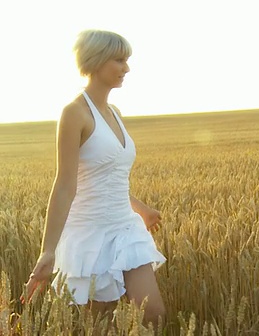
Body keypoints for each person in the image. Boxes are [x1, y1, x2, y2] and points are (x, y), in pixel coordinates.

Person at [23, 29, 167, 328]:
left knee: (154, 315)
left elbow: (107, 175)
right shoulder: (74, 113)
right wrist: (48, 251)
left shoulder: (114, 112)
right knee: (98, 324)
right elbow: (65, 184)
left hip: (125, 228)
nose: (126, 68)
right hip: (90, 235)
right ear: (97, 60)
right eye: (119, 59)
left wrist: (141, 208)